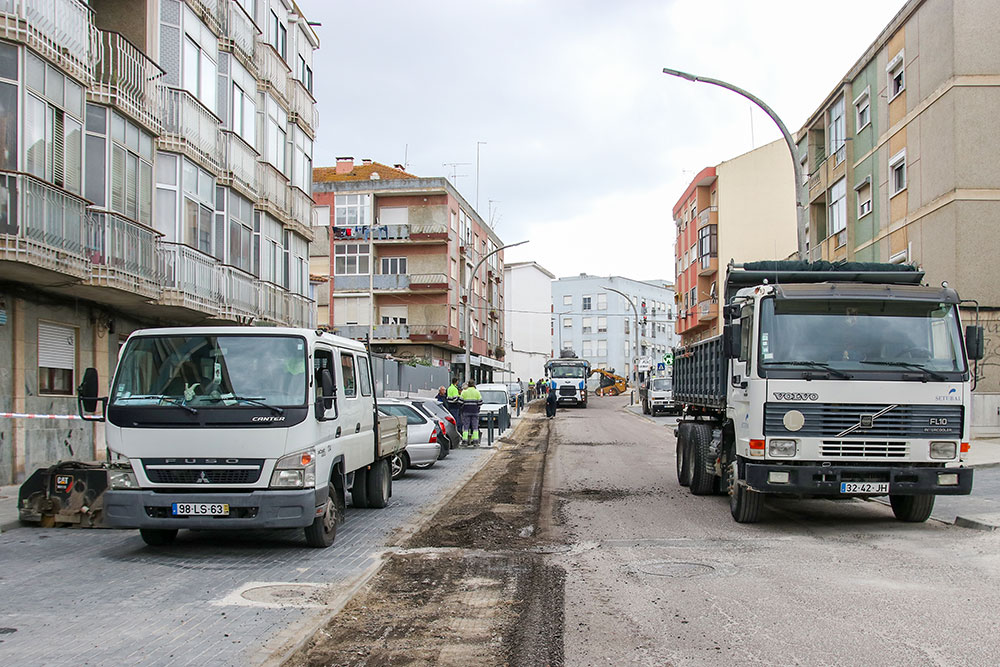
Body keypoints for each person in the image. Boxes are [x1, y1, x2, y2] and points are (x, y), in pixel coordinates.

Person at [459, 380, 483, 447]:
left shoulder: (464, 392)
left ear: (468, 385)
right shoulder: (477, 392)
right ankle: (475, 441)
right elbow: (480, 402)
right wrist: (476, 406)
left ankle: (465, 441)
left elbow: (460, 402)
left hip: (466, 411)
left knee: (466, 427)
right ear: (474, 384)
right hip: (475, 412)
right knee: (475, 427)